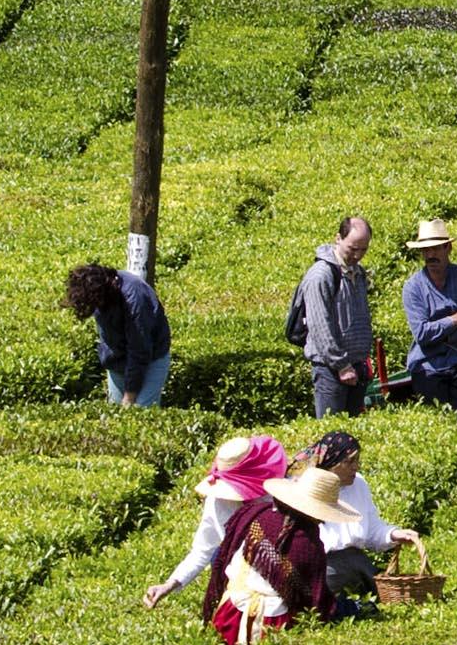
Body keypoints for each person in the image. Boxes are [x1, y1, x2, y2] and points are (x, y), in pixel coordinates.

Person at [205, 454, 354, 645]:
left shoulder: (258, 514)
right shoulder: (307, 544)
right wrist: (344, 608)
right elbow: (313, 600)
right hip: (270, 625)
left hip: (229, 613)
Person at [145, 434, 293, 607]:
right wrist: (170, 584)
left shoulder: (281, 495)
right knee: (218, 557)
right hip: (242, 572)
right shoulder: (218, 501)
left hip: (281, 571)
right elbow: (202, 550)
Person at [298, 430, 421, 616]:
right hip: (326, 568)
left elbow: (371, 529)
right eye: (349, 462)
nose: (355, 467)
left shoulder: (359, 484)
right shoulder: (310, 488)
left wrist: (394, 534)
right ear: (331, 463)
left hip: (358, 566)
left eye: (357, 460)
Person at [399, 219, 457, 411]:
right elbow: (422, 334)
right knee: (435, 413)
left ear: (448, 248)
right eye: (425, 250)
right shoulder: (413, 287)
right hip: (427, 365)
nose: (430, 255)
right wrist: (455, 319)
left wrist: (444, 335)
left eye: (435, 249)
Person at [295, 216, 376, 417]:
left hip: (356, 366)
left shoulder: (358, 272)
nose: (357, 255)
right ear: (338, 239)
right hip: (331, 371)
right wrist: (341, 365)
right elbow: (319, 325)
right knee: (332, 430)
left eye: (363, 249)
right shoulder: (321, 275)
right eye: (352, 248)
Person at [64, 259, 171, 408]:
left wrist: (130, 394)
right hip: (118, 360)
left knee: (141, 411)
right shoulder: (99, 295)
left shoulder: (134, 297)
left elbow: (139, 349)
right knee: (115, 412)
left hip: (151, 358)